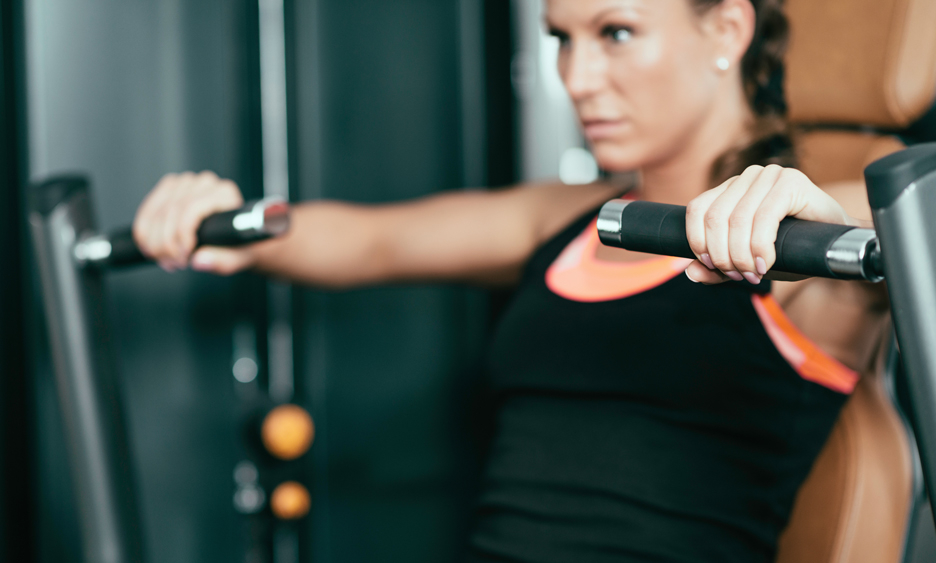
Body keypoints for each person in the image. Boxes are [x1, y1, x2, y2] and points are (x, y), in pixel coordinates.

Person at [132, 0, 888, 560]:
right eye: (562, 38)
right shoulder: (566, 218)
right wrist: (230, 223)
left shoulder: (808, 232)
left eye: (616, 33)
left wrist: (808, 211)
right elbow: (371, 239)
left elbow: (911, 219)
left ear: (726, 30)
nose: (577, 78)